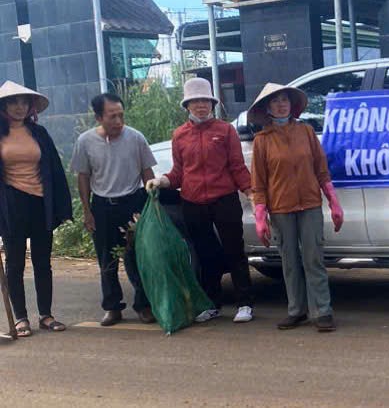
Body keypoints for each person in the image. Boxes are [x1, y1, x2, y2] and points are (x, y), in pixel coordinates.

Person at [146, 78, 255, 323]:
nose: (201, 106)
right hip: (193, 201)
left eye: (205, 101)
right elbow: (178, 173)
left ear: (212, 103)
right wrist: (161, 181)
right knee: (206, 253)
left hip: (224, 198)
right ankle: (211, 303)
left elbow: (237, 166)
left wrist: (250, 191)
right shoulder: (180, 135)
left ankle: (245, 303)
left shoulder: (225, 130)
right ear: (187, 106)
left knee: (234, 249)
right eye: (195, 101)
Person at [249, 83, 344, 332]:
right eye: (275, 101)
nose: (281, 104)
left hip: (310, 203)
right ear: (268, 108)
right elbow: (258, 183)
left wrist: (334, 202)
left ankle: (322, 312)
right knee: (289, 261)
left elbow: (322, 171)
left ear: (292, 105)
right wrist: (260, 216)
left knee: (314, 259)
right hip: (280, 208)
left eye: (285, 100)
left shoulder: (306, 132)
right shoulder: (262, 141)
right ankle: (296, 310)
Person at [71, 92, 157, 326]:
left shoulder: (136, 138)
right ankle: (112, 307)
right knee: (107, 259)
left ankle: (144, 305)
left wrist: (152, 204)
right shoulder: (85, 142)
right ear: (99, 117)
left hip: (133, 202)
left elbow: (147, 171)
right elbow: (83, 177)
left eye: (121, 115)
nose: (118, 121)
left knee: (139, 257)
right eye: (112, 116)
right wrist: (87, 211)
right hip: (103, 206)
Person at [0, 81, 72, 337]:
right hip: (11, 205)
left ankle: (46, 314)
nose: (19, 107)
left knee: (43, 261)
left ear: (30, 106)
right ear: (4, 105)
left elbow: (54, 170)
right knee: (15, 262)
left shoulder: (39, 133)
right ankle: (21, 318)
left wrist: (63, 208)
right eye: (13, 102)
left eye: (23, 102)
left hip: (41, 203)